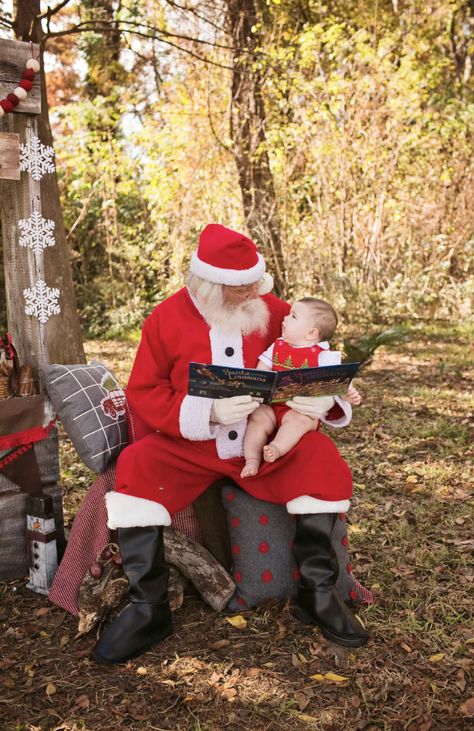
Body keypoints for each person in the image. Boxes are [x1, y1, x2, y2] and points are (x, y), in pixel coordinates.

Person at [92, 223, 369, 665]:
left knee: (320, 458)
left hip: (269, 435)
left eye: (255, 284)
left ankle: (316, 594)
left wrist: (320, 396)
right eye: (241, 289)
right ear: (208, 284)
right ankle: (149, 608)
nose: (253, 294)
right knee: (139, 464)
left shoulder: (277, 310)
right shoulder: (164, 319)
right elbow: (144, 392)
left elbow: (312, 358)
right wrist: (208, 413)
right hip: (193, 445)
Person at [241, 297, 361, 477]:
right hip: (273, 405)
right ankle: (252, 459)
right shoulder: (278, 345)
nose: (285, 319)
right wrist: (260, 384)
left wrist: (346, 393)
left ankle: (276, 448)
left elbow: (337, 380)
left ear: (312, 333)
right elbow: (263, 367)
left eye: (293, 316)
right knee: (257, 418)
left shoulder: (324, 356)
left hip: (301, 409)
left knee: (301, 422)